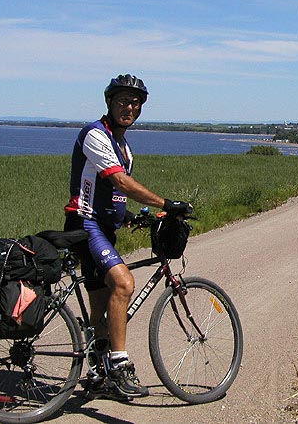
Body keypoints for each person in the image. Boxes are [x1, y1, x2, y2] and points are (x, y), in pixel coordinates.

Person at [64, 74, 192, 399]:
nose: (129, 107)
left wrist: (136, 218)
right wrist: (167, 203)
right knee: (123, 285)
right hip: (85, 225)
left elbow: (113, 195)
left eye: (135, 103)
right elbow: (119, 182)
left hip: (102, 228)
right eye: (122, 101)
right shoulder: (95, 134)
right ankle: (120, 368)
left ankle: (99, 369)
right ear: (109, 103)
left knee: (100, 305)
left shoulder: (124, 146)